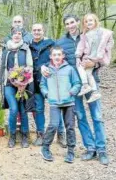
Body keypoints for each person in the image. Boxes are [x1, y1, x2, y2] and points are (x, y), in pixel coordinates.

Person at [43, 14, 110, 165]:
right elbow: (53, 60)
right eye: (67, 23)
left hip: (91, 83)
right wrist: (43, 67)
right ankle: (90, 148)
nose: (70, 25)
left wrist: (94, 65)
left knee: (97, 116)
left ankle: (101, 149)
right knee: (80, 117)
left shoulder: (87, 36)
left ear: (78, 22)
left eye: (72, 22)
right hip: (72, 87)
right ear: (65, 26)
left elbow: (102, 56)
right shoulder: (61, 42)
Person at [40, 46, 81, 163]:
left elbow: (77, 83)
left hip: (69, 102)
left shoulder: (69, 69)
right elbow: (43, 85)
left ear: (63, 56)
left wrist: (72, 92)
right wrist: (47, 94)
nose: (57, 57)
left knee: (70, 126)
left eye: (59, 54)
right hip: (54, 103)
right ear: (50, 57)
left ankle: (71, 151)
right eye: (54, 55)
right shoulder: (47, 70)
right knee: (53, 124)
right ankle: (45, 148)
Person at [0, 27, 34, 148]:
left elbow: (30, 66)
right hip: (9, 84)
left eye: (19, 34)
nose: (17, 36)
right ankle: (12, 135)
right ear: (11, 36)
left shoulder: (25, 48)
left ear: (22, 36)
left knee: (23, 110)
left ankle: (24, 136)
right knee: (13, 109)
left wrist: (24, 81)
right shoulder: (5, 49)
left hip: (23, 85)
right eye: (15, 34)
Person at [29, 24, 66, 147]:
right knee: (39, 109)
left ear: (43, 31)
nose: (37, 32)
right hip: (35, 82)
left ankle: (61, 134)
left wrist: (45, 66)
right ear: (31, 32)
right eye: (34, 30)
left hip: (51, 80)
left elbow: (57, 58)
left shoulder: (51, 44)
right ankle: (41, 135)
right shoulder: (29, 46)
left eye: (39, 30)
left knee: (56, 107)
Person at [75, 13, 114, 103]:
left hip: (97, 57)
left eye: (90, 20)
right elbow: (81, 46)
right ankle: (95, 92)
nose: (88, 22)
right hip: (89, 56)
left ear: (95, 21)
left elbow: (110, 42)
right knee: (87, 73)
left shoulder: (104, 32)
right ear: (84, 24)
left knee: (81, 67)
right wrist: (78, 55)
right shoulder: (85, 34)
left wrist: (105, 50)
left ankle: (85, 85)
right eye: (86, 21)